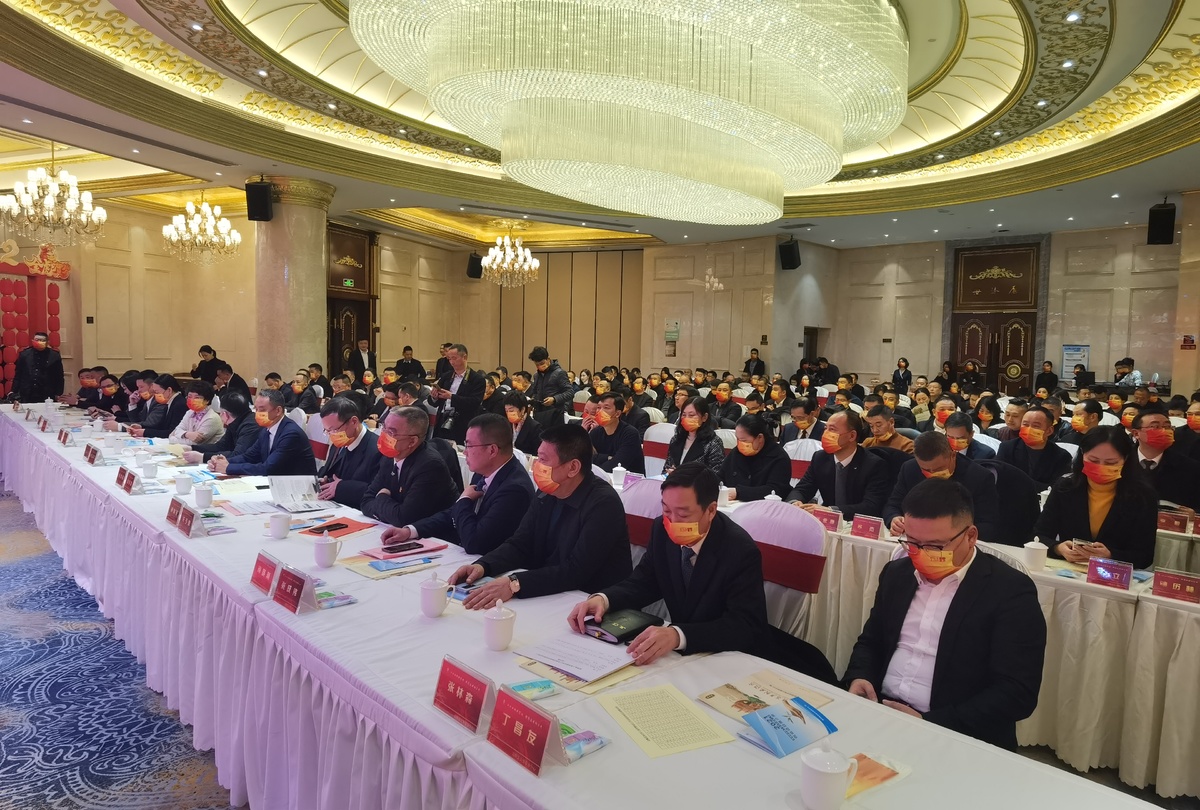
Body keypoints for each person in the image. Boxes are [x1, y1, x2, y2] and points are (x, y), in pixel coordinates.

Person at [845, 479, 1046, 750]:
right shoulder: (897, 574)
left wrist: (931, 723)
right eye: (912, 543)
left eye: (935, 547)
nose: (921, 555)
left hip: (955, 731)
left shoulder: (1010, 591)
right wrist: (860, 676)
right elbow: (872, 640)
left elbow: (1017, 692)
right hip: (880, 710)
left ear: (970, 536)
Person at [567, 463, 771, 665]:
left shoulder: (739, 550)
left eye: (683, 515)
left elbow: (745, 625)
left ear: (710, 510)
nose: (672, 522)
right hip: (676, 657)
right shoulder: (661, 529)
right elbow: (644, 582)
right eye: (666, 511)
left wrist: (678, 635)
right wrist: (604, 599)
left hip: (723, 658)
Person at [447, 424, 632, 609]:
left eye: (543, 460)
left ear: (573, 467)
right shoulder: (547, 492)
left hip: (591, 602)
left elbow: (576, 571)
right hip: (549, 592)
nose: (537, 466)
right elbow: (520, 543)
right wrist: (483, 566)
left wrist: (514, 583)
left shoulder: (604, 503)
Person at [382, 413, 536, 555]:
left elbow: (475, 542)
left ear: (492, 450)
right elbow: (454, 514)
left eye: (469, 446)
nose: (465, 452)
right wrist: (411, 531)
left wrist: (464, 501)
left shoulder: (514, 490)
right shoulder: (485, 471)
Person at [1036, 426, 1157, 568]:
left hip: (1114, 573)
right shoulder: (1065, 487)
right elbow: (1039, 535)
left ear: (1125, 459)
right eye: (1093, 460)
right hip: (1068, 570)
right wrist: (1058, 548)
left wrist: (1111, 555)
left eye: (1111, 463)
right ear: (1082, 454)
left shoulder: (1142, 496)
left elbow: (1144, 555)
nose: (1101, 467)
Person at [884, 432, 1000, 541]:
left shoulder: (979, 477)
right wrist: (894, 518)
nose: (932, 473)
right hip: (915, 538)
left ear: (953, 455)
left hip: (956, 542)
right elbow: (892, 505)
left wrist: (950, 534)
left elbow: (988, 525)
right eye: (925, 470)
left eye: (939, 469)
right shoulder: (909, 469)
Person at [360, 406, 458, 526]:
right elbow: (366, 502)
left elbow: (403, 518)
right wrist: (390, 510)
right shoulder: (389, 457)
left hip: (433, 534)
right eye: (383, 427)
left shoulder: (430, 466)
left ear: (412, 441)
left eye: (391, 432)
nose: (383, 435)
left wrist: (381, 497)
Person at [786, 410, 889, 519]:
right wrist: (795, 502)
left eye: (832, 430)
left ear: (852, 436)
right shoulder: (820, 457)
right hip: (827, 522)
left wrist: (832, 511)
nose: (825, 434)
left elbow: (871, 506)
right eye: (825, 429)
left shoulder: (874, 465)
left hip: (857, 523)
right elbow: (802, 488)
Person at [209, 389, 315, 475]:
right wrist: (225, 461)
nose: (257, 413)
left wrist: (228, 468)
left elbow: (269, 468)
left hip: (298, 486)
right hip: (278, 481)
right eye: (256, 409)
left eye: (262, 410)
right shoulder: (266, 429)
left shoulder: (291, 433)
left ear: (278, 411)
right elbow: (249, 456)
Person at [314, 396, 383, 507]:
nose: (331, 435)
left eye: (334, 429)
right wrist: (326, 481)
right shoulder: (339, 443)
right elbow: (332, 472)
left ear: (354, 422)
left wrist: (342, 488)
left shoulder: (377, 450)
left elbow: (378, 490)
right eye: (327, 431)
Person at [1131, 409, 1200, 510]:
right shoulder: (1120, 461)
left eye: (1167, 427)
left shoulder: (1190, 467)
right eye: (1155, 427)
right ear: (1136, 433)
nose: (1164, 431)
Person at [995, 405, 1072, 490]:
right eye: (1025, 424)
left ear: (1049, 430)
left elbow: (1056, 488)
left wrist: (1021, 481)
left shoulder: (1062, 456)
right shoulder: (1007, 448)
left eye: (1036, 426)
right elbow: (1000, 477)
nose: (1029, 429)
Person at [721, 414, 791, 501]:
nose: (740, 444)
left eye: (744, 440)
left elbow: (776, 490)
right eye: (737, 439)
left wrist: (739, 492)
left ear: (760, 437)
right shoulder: (736, 452)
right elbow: (721, 476)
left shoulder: (778, 457)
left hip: (763, 506)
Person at [428, 343, 486, 444]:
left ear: (464, 357)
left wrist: (452, 397)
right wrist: (434, 397)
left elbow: (475, 402)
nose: (451, 362)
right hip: (443, 419)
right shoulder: (446, 376)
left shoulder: (477, 379)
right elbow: (434, 402)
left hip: (462, 422)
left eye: (454, 358)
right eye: (449, 359)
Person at [183, 392, 259, 463]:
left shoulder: (250, 426)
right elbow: (222, 446)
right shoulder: (236, 421)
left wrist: (203, 457)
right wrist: (192, 448)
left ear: (224, 414)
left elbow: (239, 455)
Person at [664, 397, 726, 475]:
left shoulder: (713, 442)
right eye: (684, 415)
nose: (686, 419)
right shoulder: (676, 439)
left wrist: (684, 475)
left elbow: (715, 475)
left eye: (691, 415)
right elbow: (666, 468)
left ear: (704, 417)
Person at [590, 392, 645, 474]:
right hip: (600, 477)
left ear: (617, 413)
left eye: (606, 408)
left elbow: (618, 464)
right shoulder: (595, 432)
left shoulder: (630, 434)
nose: (600, 411)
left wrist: (596, 467)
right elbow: (586, 458)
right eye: (598, 407)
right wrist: (607, 457)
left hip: (628, 479)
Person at [128, 374, 188, 439]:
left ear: (169, 390)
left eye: (157, 392)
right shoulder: (170, 402)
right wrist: (141, 427)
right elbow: (161, 426)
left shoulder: (179, 404)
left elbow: (173, 432)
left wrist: (145, 432)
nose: (155, 395)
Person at [11, 331, 64, 402]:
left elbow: (59, 376)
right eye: (37, 340)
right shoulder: (24, 354)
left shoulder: (54, 355)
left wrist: (58, 393)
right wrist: (13, 391)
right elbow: (18, 374)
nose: (39, 342)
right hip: (27, 392)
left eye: (42, 340)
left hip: (47, 392)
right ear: (32, 341)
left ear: (47, 342)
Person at [527, 345, 573, 426]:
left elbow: (570, 392)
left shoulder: (559, 373)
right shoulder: (536, 375)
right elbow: (535, 392)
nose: (540, 367)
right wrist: (533, 400)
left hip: (555, 414)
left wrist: (554, 399)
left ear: (548, 359)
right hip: (539, 414)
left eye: (542, 363)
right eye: (537, 365)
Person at [169, 380, 225, 446]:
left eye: (197, 397)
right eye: (189, 397)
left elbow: (194, 443)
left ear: (207, 400)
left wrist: (172, 438)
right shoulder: (190, 412)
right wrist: (187, 434)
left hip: (206, 451)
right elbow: (177, 430)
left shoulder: (212, 418)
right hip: (188, 449)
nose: (192, 400)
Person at [502, 390, 543, 455]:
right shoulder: (507, 424)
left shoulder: (534, 427)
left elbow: (537, 453)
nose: (509, 413)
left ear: (522, 409)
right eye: (506, 411)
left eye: (511, 410)